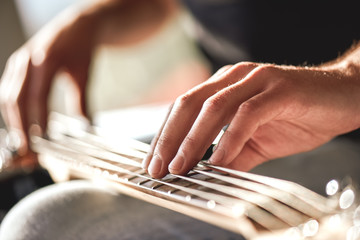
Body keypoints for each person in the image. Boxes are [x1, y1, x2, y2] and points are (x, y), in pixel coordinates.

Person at [1, 0, 360, 238]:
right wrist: (93, 20)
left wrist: (348, 79)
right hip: (232, 125)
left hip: (343, 127)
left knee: (41, 227)